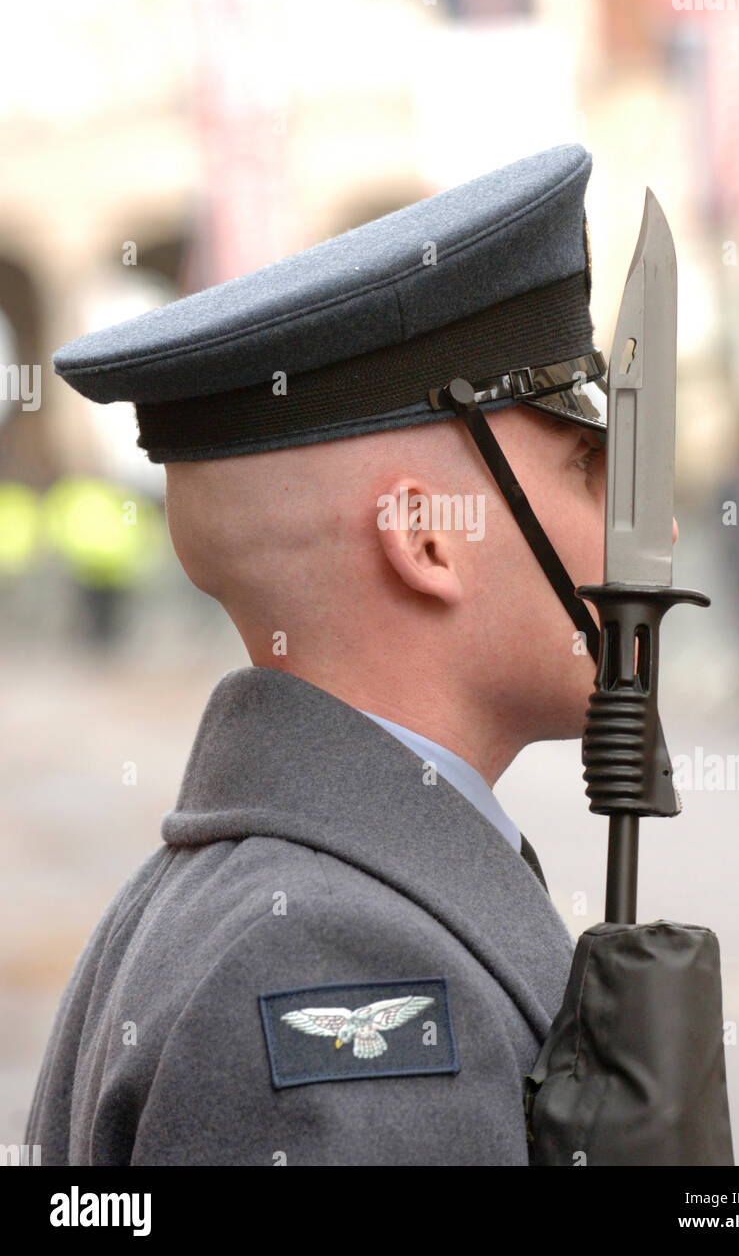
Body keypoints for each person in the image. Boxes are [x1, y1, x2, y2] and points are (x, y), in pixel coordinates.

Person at [25, 144, 660, 1165]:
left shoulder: (252, 899)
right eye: (586, 467)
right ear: (426, 539)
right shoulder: (343, 966)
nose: (652, 534)